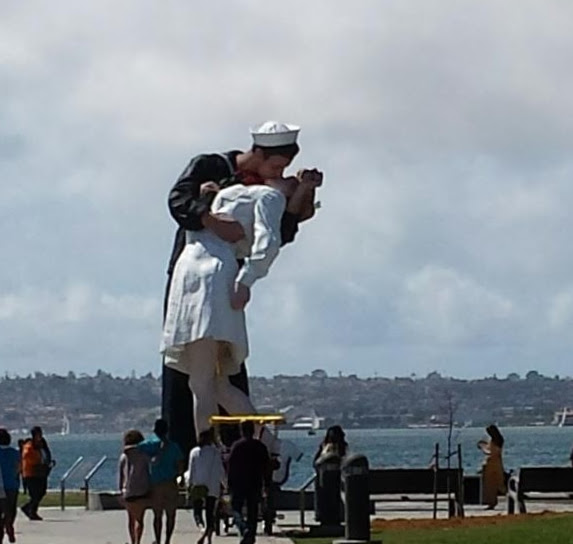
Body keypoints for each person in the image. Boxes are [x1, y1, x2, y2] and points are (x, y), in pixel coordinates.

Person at [163, 120, 322, 456]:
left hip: (215, 277)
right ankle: (232, 447)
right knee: (200, 379)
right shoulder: (212, 166)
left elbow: (277, 235)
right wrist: (209, 214)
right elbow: (179, 201)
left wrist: (245, 279)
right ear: (259, 154)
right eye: (276, 167)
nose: (280, 175)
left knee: (205, 378)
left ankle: (215, 450)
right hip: (190, 275)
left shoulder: (266, 194)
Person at [137, 419, 185, 544]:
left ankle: (158, 540)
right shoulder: (174, 446)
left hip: (156, 483)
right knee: (171, 514)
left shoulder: (149, 444)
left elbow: (136, 449)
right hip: (170, 482)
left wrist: (149, 458)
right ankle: (167, 540)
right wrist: (179, 476)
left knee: (157, 515)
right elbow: (180, 464)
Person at [227, 421, 270, 544]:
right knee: (253, 510)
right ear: (253, 430)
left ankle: (243, 527)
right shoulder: (260, 446)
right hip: (255, 482)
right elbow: (266, 467)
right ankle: (251, 535)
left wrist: (229, 483)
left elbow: (231, 466)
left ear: (241, 431)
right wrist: (266, 484)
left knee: (236, 508)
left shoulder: (236, 446)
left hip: (239, 483)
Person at [188, 428, 225, 544]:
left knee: (197, 511)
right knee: (210, 512)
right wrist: (225, 484)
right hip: (212, 486)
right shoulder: (215, 452)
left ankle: (202, 528)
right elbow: (220, 470)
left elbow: (191, 470)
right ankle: (208, 538)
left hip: (198, 484)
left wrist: (189, 484)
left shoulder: (194, 452)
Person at [119, 430, 151, 544]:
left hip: (127, 491)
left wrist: (121, 490)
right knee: (139, 519)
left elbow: (121, 475)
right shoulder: (144, 455)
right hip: (141, 490)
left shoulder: (124, 456)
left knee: (131, 519)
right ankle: (138, 541)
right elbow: (149, 471)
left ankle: (132, 540)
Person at [20, 427, 53, 521]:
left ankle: (28, 508)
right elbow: (26, 456)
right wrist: (38, 463)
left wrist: (47, 463)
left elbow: (46, 454)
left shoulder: (43, 443)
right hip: (31, 473)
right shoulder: (29, 446)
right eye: (38, 434)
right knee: (35, 494)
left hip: (42, 472)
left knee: (42, 491)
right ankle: (32, 511)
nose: (40, 436)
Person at [478, 424, 506, 509]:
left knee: (490, 486)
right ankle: (494, 501)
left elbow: (491, 452)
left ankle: (492, 502)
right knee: (497, 484)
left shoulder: (494, 441)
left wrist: (482, 448)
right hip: (498, 464)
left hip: (491, 465)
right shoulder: (499, 441)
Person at [0, 429, 19, 543]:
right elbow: (18, 468)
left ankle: (2, 528)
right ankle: (9, 524)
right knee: (11, 509)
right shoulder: (15, 453)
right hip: (12, 485)